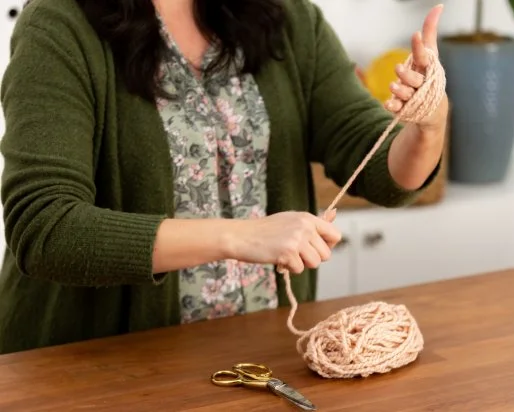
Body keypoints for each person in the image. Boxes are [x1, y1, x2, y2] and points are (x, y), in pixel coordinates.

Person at [0, 0, 448, 354]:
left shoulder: (289, 18)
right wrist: (241, 236)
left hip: (256, 360)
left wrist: (428, 124)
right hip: (98, 370)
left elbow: (376, 166)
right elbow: (45, 229)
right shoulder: (58, 25)